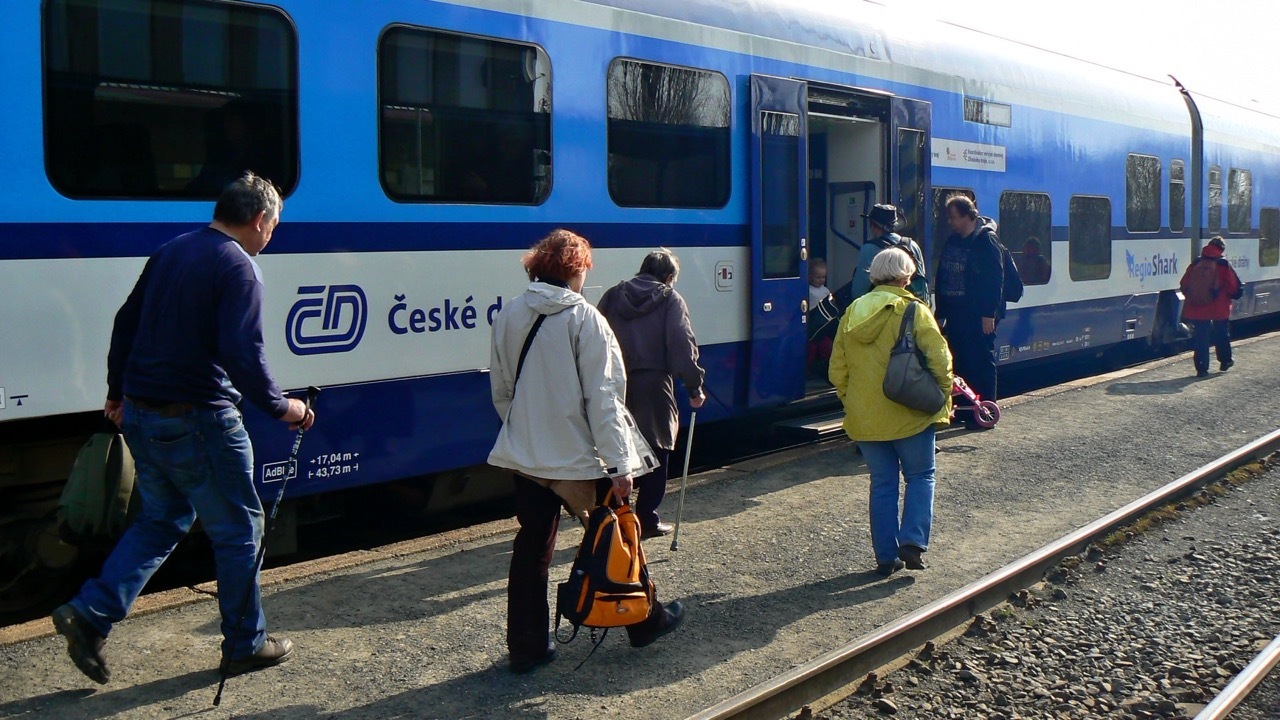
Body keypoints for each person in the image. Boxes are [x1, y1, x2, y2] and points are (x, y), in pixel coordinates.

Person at [52, 173, 315, 685]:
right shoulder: (239, 267)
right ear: (259, 219)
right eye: (274, 225)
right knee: (240, 530)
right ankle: (245, 644)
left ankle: (90, 613)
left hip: (143, 414)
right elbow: (244, 352)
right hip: (200, 419)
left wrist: (116, 391)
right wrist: (283, 407)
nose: (271, 235)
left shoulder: (172, 250)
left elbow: (125, 322)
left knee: (163, 518)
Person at [488, 230, 685, 673]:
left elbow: (502, 389)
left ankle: (526, 646)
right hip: (579, 459)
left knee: (532, 548)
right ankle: (644, 620)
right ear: (576, 270)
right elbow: (604, 399)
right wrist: (619, 465)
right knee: (619, 533)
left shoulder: (510, 313)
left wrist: (525, 432)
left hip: (526, 456)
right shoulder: (585, 319)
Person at [829, 248, 952, 576]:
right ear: (906, 276)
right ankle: (912, 541)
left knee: (882, 483)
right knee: (921, 476)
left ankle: (885, 557)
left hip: (865, 417)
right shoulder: (914, 309)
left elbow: (837, 368)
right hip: (910, 412)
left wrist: (852, 400)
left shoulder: (852, 312)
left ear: (874, 275)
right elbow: (940, 359)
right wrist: (941, 395)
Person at [597, 249, 707, 539]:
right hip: (655, 385)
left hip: (614, 384)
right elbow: (681, 343)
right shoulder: (671, 299)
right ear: (669, 277)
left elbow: (595, 337)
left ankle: (613, 520)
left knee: (616, 450)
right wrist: (694, 386)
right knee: (658, 450)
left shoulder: (612, 295)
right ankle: (646, 518)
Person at [934, 194, 1004, 419]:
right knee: (960, 361)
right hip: (956, 314)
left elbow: (995, 280)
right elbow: (943, 276)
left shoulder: (986, 241)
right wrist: (940, 312)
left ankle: (985, 412)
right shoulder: (953, 240)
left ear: (967, 216)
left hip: (978, 314)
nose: (950, 222)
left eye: (954, 217)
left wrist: (988, 313)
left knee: (980, 360)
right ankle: (965, 410)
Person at [1180, 236, 1242, 377]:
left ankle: (1201, 369)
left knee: (1201, 337)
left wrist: (1194, 296)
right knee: (1221, 333)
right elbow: (1233, 287)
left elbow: (1184, 283)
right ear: (1221, 249)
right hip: (1219, 307)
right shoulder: (1223, 264)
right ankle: (1225, 361)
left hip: (1197, 307)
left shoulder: (1197, 262)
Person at [851, 204, 930, 305]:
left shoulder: (868, 249)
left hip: (882, 308)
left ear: (873, 226)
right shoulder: (912, 245)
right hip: (912, 307)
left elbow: (858, 293)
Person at [807, 258, 839, 378]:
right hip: (813, 321)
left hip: (824, 323)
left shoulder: (825, 290)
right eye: (818, 277)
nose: (821, 280)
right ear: (810, 277)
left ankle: (826, 365)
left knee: (826, 345)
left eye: (823, 277)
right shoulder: (808, 291)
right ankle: (809, 368)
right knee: (811, 346)